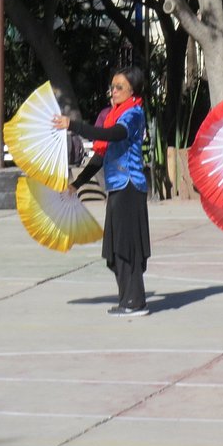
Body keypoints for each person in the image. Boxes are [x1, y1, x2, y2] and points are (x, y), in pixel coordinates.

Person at [53, 66, 151, 317]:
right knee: (116, 247)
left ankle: (135, 301)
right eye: (113, 86)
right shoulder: (113, 114)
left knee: (127, 246)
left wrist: (73, 125)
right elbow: (101, 154)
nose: (114, 91)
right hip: (117, 188)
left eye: (120, 87)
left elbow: (113, 135)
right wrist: (78, 183)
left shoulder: (133, 114)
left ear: (133, 91)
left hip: (129, 186)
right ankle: (127, 298)